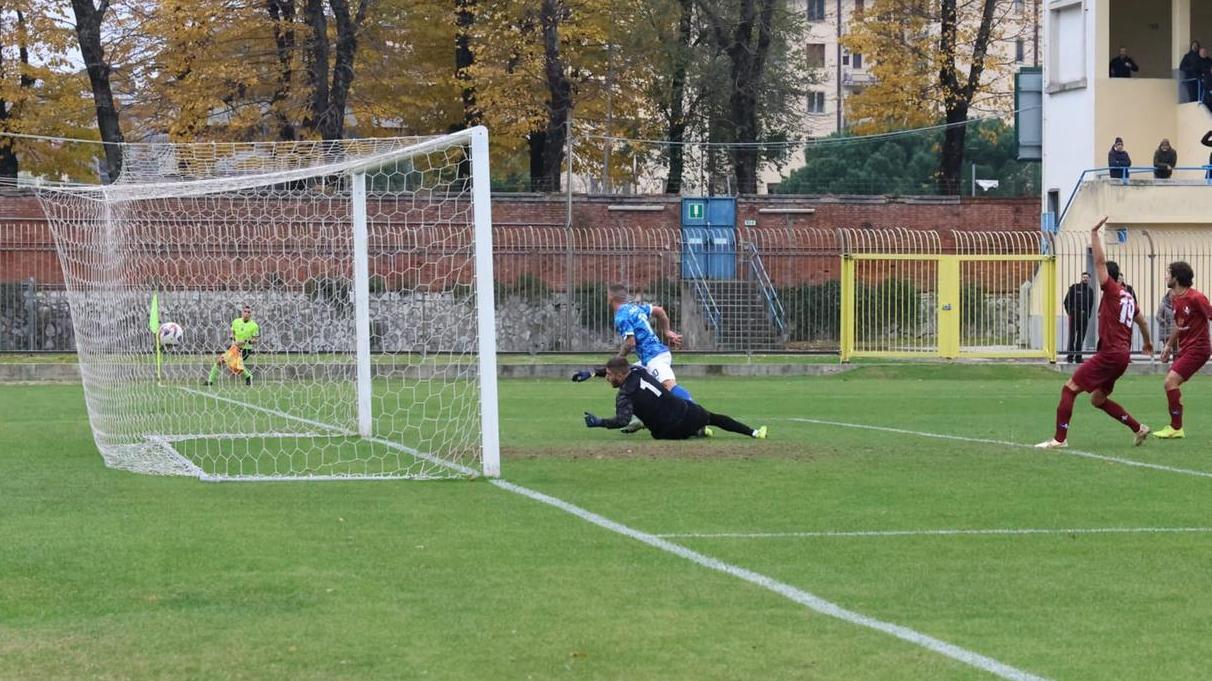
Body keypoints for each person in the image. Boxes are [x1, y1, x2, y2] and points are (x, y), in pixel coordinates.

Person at [1036, 217, 1153, 449]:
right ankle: (1139, 428)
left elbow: (1099, 263)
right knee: (1098, 399)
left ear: (1109, 278)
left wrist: (1093, 234)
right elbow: (1142, 322)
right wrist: (1148, 343)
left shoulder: (1111, 291)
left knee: (1069, 389)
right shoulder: (1128, 297)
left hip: (1110, 354)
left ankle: (1059, 440)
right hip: (1122, 356)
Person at [583, 356, 767, 440]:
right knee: (714, 418)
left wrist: (599, 422)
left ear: (621, 375)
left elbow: (622, 420)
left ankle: (697, 431)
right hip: (687, 413)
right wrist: (593, 373)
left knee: (655, 420)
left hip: (667, 433)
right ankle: (754, 433)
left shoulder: (625, 395)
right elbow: (622, 367)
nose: (607, 378)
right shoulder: (637, 370)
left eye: (608, 375)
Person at [1153, 262, 1212, 439]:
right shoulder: (1175, 298)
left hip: (1199, 348)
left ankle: (1176, 428)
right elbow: (1178, 325)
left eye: (1168, 273)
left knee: (1170, 382)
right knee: (1171, 383)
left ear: (1176, 277)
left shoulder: (1196, 298)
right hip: (1186, 349)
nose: (1165, 276)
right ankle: (1176, 427)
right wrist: (1169, 346)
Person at [207, 304, 258, 386]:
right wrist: (234, 340)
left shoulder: (254, 325)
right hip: (235, 347)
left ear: (251, 314)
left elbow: (255, 340)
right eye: (245, 311)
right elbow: (232, 334)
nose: (246, 313)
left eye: (249, 312)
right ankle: (210, 381)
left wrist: (245, 341)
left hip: (246, 350)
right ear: (242, 312)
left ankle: (248, 376)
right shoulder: (236, 322)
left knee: (234, 364)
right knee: (221, 361)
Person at [1063, 272, 1094, 363]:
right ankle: (1070, 357)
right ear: (1081, 278)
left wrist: (1088, 316)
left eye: (1087, 277)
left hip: (1084, 317)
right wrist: (1070, 312)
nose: (1085, 279)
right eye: (1084, 277)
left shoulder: (1090, 291)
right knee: (1072, 337)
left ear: (1089, 279)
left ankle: (1078, 357)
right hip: (1074, 315)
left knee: (1081, 338)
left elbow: (1091, 305)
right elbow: (1066, 301)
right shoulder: (1074, 288)